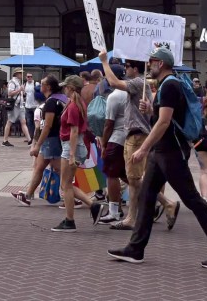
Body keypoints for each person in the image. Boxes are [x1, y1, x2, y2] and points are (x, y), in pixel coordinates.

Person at [107, 48, 207, 269]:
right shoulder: (167, 86)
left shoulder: (170, 86)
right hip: (162, 152)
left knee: (193, 200)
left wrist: (143, 149)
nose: (150, 64)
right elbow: (163, 118)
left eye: (153, 61)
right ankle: (136, 248)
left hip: (170, 152)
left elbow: (165, 122)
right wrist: (150, 111)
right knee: (147, 197)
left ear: (162, 63)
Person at [97, 51, 176, 229]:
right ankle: (136, 215)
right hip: (133, 134)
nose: (125, 70)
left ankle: (165, 204)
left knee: (135, 178)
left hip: (137, 135)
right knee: (133, 179)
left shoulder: (138, 82)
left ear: (134, 69)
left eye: (127, 67)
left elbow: (113, 82)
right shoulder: (139, 85)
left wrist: (104, 62)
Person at [51, 74, 102, 232]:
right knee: (67, 184)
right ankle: (92, 205)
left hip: (71, 146)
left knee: (66, 185)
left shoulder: (73, 106)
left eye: (65, 87)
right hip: (75, 145)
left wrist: (71, 155)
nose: (64, 89)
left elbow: (73, 132)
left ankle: (70, 220)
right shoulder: (77, 104)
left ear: (71, 88)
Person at [13, 74, 66, 207]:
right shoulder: (60, 99)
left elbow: (47, 126)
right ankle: (28, 195)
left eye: (41, 84)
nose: (39, 86)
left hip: (51, 139)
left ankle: (73, 195)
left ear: (47, 87)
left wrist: (37, 145)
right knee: (39, 167)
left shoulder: (51, 103)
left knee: (59, 169)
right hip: (54, 139)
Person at [99, 80, 129, 224]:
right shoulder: (131, 92)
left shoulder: (114, 96)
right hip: (130, 137)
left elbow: (108, 123)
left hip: (117, 138)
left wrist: (104, 144)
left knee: (112, 174)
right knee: (127, 176)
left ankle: (114, 211)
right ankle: (157, 201)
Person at [2, 70, 28, 146]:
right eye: (20, 73)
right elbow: (10, 93)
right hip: (14, 105)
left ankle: (29, 139)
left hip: (20, 105)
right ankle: (5, 140)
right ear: (16, 74)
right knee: (9, 121)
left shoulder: (19, 82)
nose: (22, 74)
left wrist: (22, 92)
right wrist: (19, 90)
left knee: (23, 122)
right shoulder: (12, 82)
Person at [22, 71, 38, 144]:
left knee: (36, 122)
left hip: (35, 106)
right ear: (26, 77)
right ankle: (30, 137)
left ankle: (36, 137)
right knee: (29, 123)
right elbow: (24, 95)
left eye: (31, 76)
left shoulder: (36, 84)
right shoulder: (24, 85)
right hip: (27, 106)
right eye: (28, 76)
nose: (29, 78)